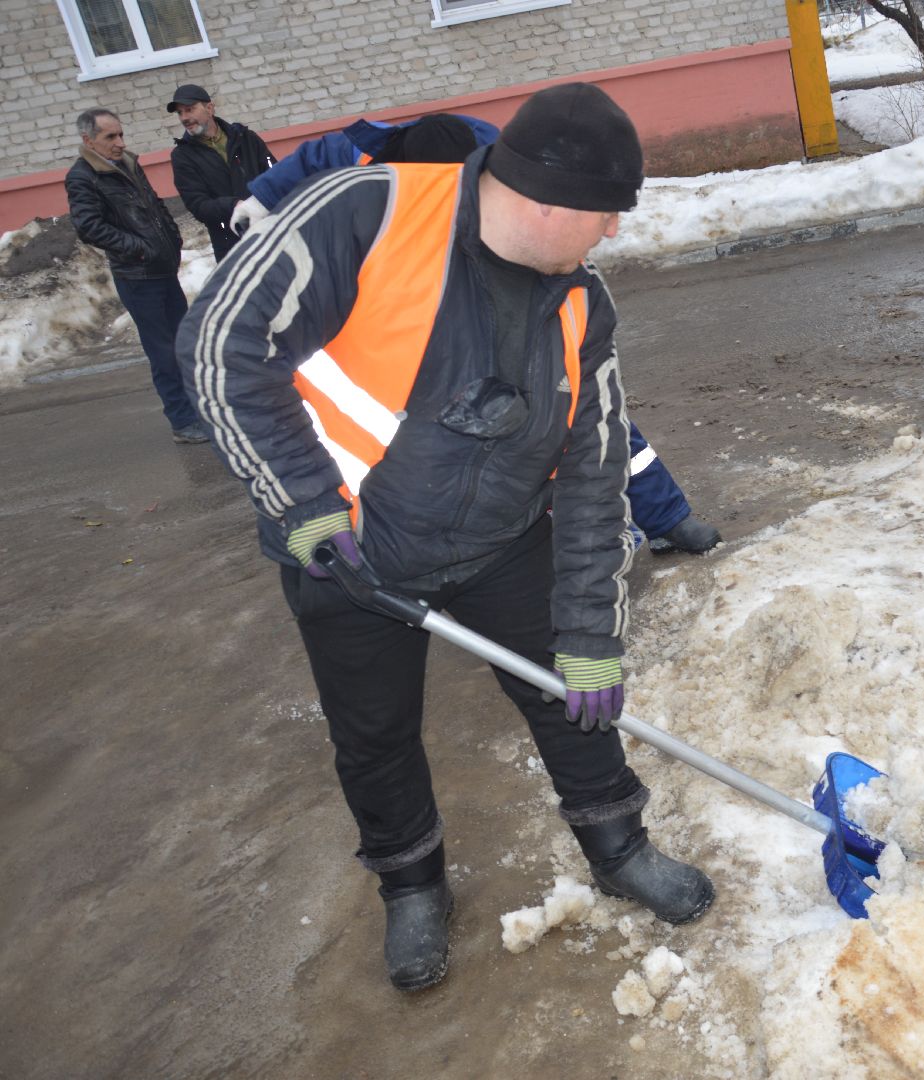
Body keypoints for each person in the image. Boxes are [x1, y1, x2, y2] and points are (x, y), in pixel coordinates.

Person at [178, 83, 714, 992]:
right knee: (375, 735)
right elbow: (221, 347)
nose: (613, 234)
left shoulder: (583, 303)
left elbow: (593, 472)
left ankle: (619, 847)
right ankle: (412, 886)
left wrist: (590, 633)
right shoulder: (369, 213)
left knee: (569, 694)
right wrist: (303, 504)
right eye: (607, 215)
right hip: (346, 552)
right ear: (549, 200)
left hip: (503, 541)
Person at [233, 111, 721, 555]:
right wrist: (260, 200)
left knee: (576, 402)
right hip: (409, 301)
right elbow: (320, 155)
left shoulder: (510, 171)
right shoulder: (364, 164)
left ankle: (667, 516)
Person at [65, 108, 208, 444]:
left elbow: (154, 206)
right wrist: (140, 248)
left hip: (162, 268)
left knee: (182, 343)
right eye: (110, 137)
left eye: (120, 134)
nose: (119, 142)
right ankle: (182, 422)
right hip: (138, 274)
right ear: (88, 140)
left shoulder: (127, 162)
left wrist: (172, 236)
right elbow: (89, 227)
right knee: (163, 352)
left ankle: (196, 411)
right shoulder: (83, 176)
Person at [166, 84, 276, 261]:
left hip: (270, 231)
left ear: (209, 108)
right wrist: (234, 205)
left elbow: (273, 173)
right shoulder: (183, 156)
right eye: (180, 113)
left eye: (189, 110)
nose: (184, 118)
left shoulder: (245, 138)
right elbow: (198, 205)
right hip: (231, 246)